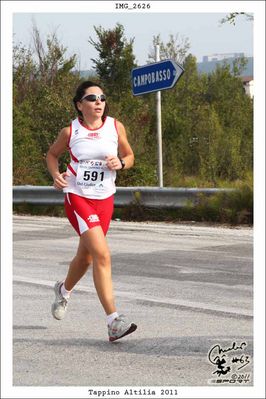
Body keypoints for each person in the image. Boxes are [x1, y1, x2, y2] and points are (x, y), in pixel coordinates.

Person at [46, 80, 137, 342]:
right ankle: (113, 321)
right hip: (78, 196)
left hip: (105, 198)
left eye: (102, 97)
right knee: (102, 255)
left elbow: (129, 155)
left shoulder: (115, 126)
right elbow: (52, 155)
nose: (99, 102)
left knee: (86, 258)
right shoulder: (70, 132)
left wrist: (120, 162)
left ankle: (63, 291)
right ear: (79, 105)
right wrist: (56, 176)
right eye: (92, 98)